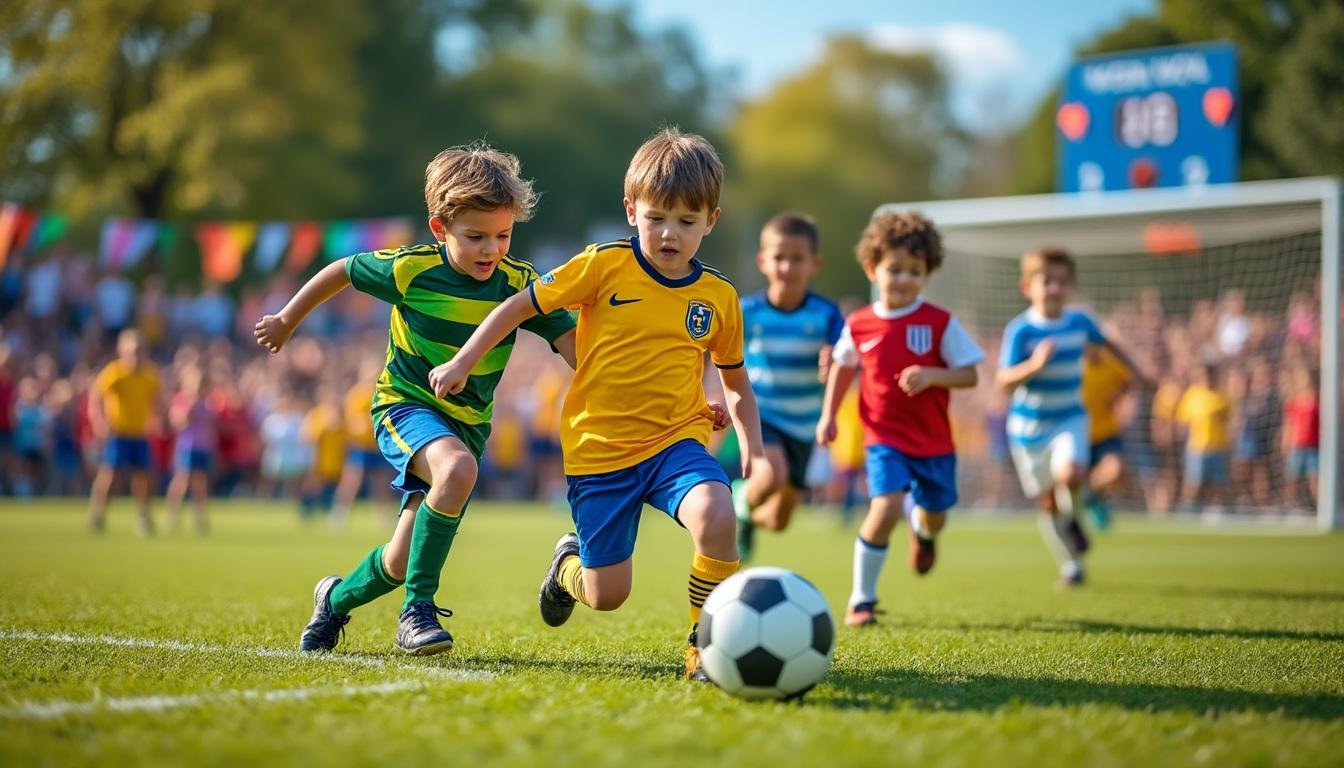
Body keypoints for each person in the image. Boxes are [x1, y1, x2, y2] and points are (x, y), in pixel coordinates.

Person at [429, 128, 766, 681]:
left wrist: (752, 447)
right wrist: (464, 361)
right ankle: (568, 566)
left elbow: (735, 380)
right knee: (608, 594)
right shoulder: (602, 265)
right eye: (657, 217)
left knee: (716, 514)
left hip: (675, 441)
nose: (669, 234)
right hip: (599, 451)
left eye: (686, 222)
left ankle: (706, 650)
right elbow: (519, 306)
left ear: (712, 221)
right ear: (631, 210)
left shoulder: (720, 298)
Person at [255, 142, 577, 655]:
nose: (491, 249)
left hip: (466, 425)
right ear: (438, 229)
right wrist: (288, 320)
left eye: (503, 235)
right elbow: (341, 269)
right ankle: (416, 613)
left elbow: (572, 346)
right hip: (404, 406)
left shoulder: (519, 283)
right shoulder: (411, 270)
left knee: (400, 560)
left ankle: (334, 601)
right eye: (475, 237)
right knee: (457, 470)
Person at [816, 211, 983, 627]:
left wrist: (933, 375)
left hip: (933, 443)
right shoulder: (858, 324)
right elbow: (841, 367)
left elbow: (970, 374)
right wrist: (829, 416)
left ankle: (924, 534)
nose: (905, 279)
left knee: (934, 514)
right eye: (895, 269)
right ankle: (862, 600)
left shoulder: (940, 322)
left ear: (927, 275)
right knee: (885, 506)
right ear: (873, 268)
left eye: (915, 271)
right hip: (883, 439)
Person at [995, 247, 1146, 587]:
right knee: (1048, 503)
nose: (1054, 288)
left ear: (1071, 286)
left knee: (1072, 473)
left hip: (1069, 417)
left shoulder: (1080, 321)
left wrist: (1138, 371)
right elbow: (1002, 381)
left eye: (1062, 281)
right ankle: (1071, 564)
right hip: (1028, 429)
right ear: (1027, 287)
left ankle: (1076, 520)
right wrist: (1034, 366)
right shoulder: (1021, 330)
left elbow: (1109, 345)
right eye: (1047, 281)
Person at [732, 211, 844, 562]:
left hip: (805, 426)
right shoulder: (747, 311)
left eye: (797, 259)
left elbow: (844, 356)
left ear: (814, 263)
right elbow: (721, 356)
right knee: (771, 474)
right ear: (763, 261)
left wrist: (833, 360)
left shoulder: (826, 314)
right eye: (779, 258)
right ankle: (740, 505)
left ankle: (745, 513)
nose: (787, 267)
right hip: (763, 413)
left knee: (779, 521)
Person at [87, 329, 160, 535]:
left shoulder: (149, 374)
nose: (136, 355)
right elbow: (96, 397)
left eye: (140, 350)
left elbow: (157, 400)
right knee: (110, 476)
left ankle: (144, 517)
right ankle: (98, 514)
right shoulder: (115, 373)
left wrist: (156, 418)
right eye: (133, 351)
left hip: (140, 433)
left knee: (144, 476)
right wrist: (99, 422)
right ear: (122, 350)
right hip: (119, 433)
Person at [1079, 344, 1131, 529]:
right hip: (1079, 437)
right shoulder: (1074, 370)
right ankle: (1093, 503)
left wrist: (1117, 399)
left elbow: (1127, 381)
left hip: (1106, 435)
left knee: (1117, 472)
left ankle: (1089, 496)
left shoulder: (1111, 367)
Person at [163, 364, 215, 534]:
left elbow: (211, 428)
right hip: (188, 447)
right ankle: (172, 514)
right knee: (182, 481)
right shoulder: (183, 401)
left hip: (203, 447)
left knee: (200, 483)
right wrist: (190, 409)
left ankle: (199, 517)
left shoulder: (207, 404)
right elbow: (177, 422)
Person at [1175, 361, 1233, 512]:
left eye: (1210, 374)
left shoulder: (1222, 396)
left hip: (1218, 445)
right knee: (1193, 482)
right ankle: (1187, 508)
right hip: (1197, 447)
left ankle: (1214, 509)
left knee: (1217, 482)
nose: (1207, 378)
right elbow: (1183, 420)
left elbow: (1231, 419)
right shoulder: (1192, 395)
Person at [1281, 364, 1320, 511]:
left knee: (1314, 479)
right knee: (1293, 477)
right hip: (1297, 446)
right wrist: (1285, 441)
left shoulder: (1318, 400)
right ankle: (1289, 505)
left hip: (1314, 446)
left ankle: (1319, 507)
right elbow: (1289, 424)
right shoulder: (1294, 401)